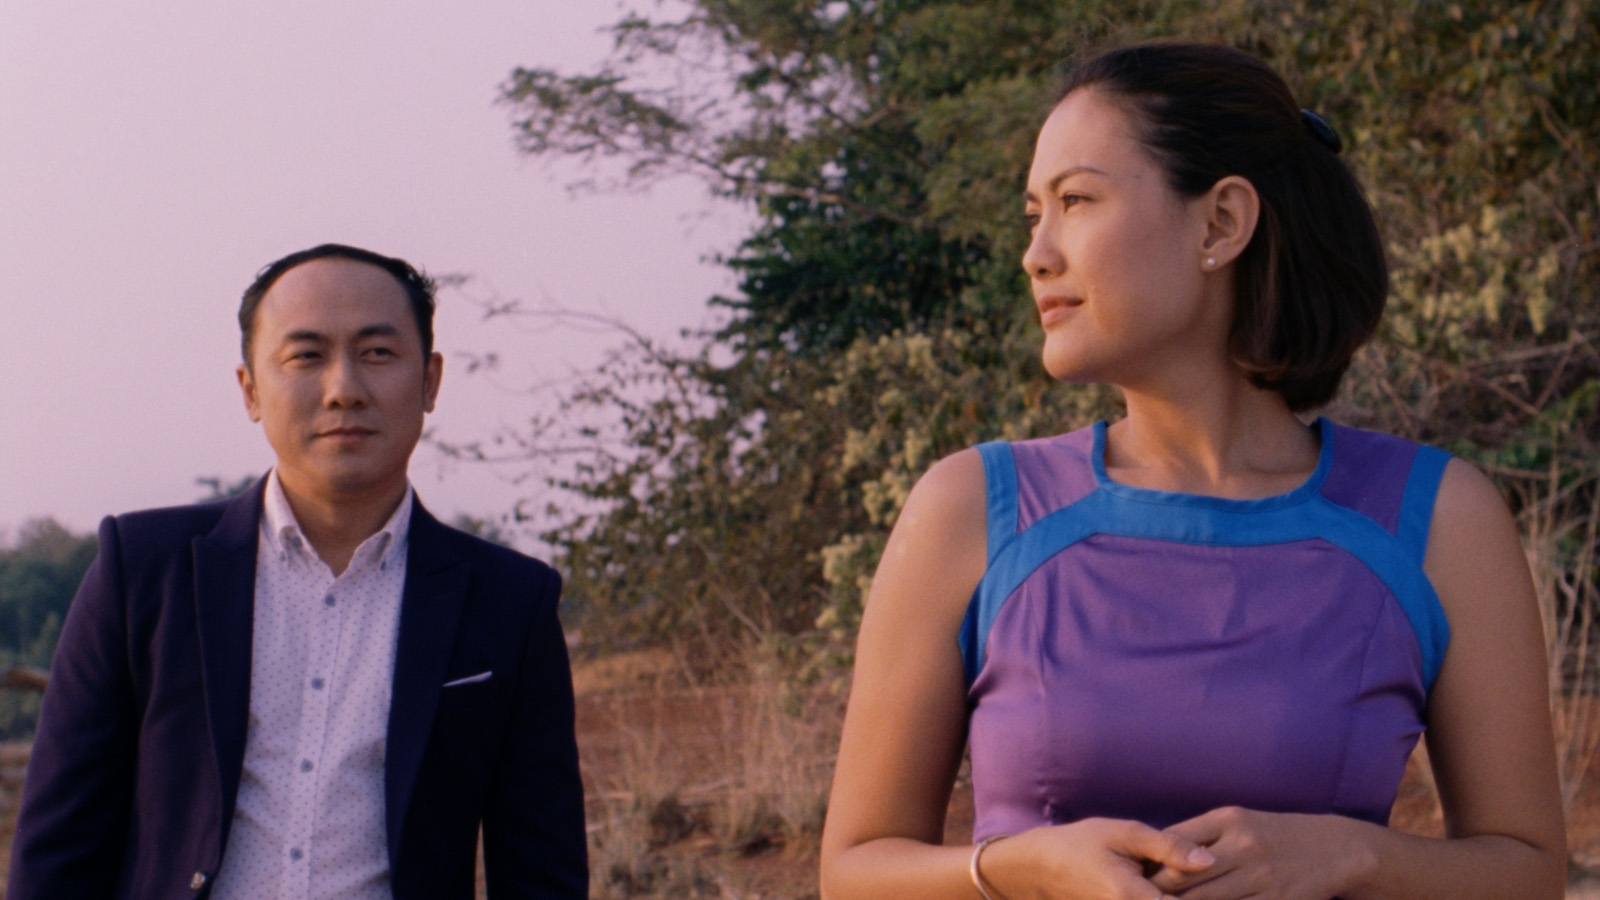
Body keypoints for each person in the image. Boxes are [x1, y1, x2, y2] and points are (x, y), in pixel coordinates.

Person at [818, 42, 1566, 900]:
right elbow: (854, 871)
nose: (1037, 254)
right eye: (1033, 215)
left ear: (1220, 224)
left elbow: (1528, 872)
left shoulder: (1438, 519)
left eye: (1075, 200)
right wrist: (1016, 868)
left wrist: (1352, 855)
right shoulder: (971, 509)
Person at [8, 244, 588, 899]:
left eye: (377, 352)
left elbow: (542, 870)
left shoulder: (510, 602)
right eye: (306, 356)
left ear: (429, 381)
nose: (343, 390)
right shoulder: (143, 570)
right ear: (251, 389)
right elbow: (57, 848)